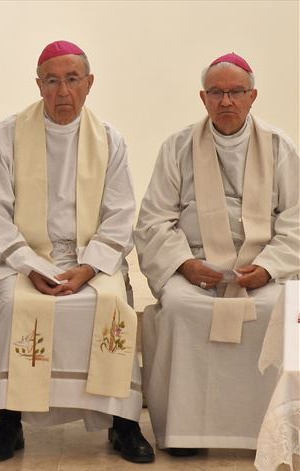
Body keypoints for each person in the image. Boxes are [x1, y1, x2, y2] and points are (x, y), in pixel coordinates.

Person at [0, 40, 154, 464]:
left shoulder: (109, 139)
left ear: (89, 83)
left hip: (91, 260)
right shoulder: (5, 136)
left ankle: (124, 423)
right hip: (27, 258)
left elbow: (120, 211)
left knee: (114, 302)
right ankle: (10, 420)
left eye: (72, 80)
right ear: (38, 85)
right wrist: (31, 265)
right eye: (52, 81)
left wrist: (88, 268)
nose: (62, 91)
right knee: (16, 304)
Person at [135, 52, 299, 456]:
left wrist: (267, 267)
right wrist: (185, 265)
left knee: (277, 308)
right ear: (203, 97)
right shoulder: (177, 147)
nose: (226, 101)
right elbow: (154, 220)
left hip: (261, 270)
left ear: (252, 96)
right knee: (177, 306)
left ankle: (270, 435)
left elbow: (296, 219)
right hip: (196, 268)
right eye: (217, 92)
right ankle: (185, 434)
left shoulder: (280, 147)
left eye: (235, 92)